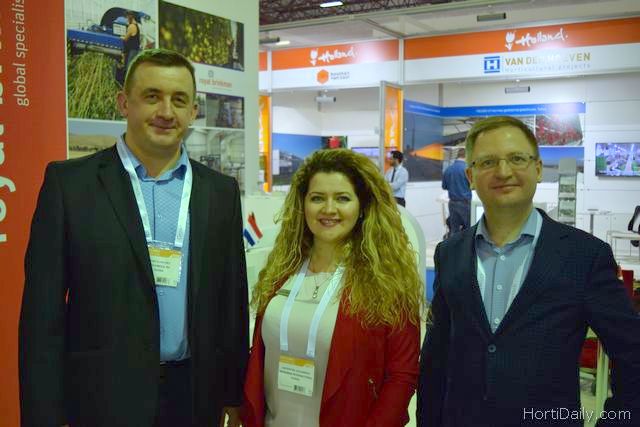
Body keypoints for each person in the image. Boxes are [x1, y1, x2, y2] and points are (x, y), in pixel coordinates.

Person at [19, 49, 248, 427]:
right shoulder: (70, 185)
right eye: (152, 96)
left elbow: (231, 300)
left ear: (193, 111)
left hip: (194, 396)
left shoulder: (219, 192)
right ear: (124, 103)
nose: (166, 112)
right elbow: (42, 316)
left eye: (179, 100)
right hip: (102, 398)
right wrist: (44, 415)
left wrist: (233, 393)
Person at [418, 116, 640, 426]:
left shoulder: (584, 255)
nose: (503, 171)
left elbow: (632, 355)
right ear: (470, 176)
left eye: (517, 158)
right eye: (488, 162)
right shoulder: (450, 253)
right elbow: (436, 357)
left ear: (537, 168)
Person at [242, 149, 422, 427]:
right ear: (303, 204)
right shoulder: (282, 269)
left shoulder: (387, 281)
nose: (328, 209)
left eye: (342, 198)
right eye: (317, 198)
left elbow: (401, 375)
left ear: (362, 206)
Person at [442, 148, 472, 236]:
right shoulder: (467, 170)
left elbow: (444, 186)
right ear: (467, 156)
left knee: (454, 230)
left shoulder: (448, 169)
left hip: (452, 203)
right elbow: (473, 185)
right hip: (465, 204)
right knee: (468, 230)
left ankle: (455, 245)